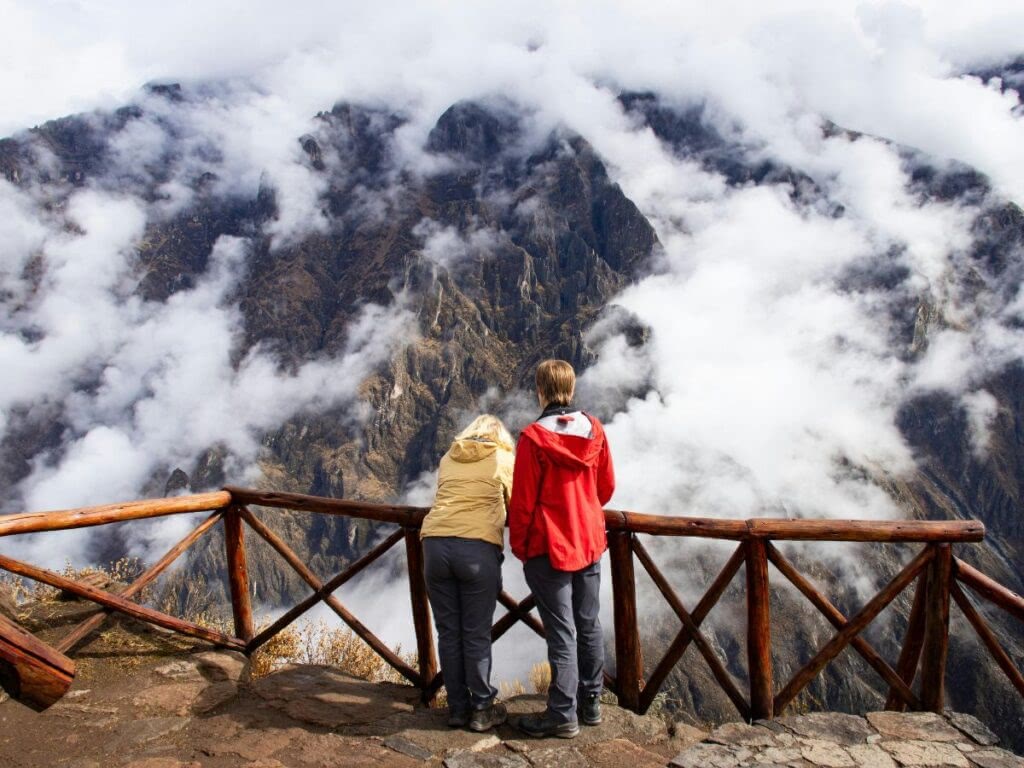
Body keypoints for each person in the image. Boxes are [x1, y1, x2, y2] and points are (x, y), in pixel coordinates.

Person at [509, 359, 615, 739]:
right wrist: (584, 508)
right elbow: (606, 488)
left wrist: (520, 546)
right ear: (570, 388)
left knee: (561, 631)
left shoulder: (533, 439)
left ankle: (561, 714)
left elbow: (522, 501)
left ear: (540, 390)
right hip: (589, 542)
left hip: (549, 546)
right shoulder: (595, 431)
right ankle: (591, 704)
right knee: (588, 624)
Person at [420, 414, 514, 732]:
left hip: (434, 545)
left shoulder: (449, 457)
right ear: (499, 436)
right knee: (475, 634)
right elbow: (515, 504)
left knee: (448, 632)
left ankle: (457, 708)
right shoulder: (503, 458)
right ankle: (482, 707)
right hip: (475, 549)